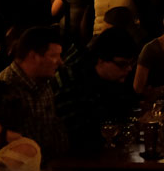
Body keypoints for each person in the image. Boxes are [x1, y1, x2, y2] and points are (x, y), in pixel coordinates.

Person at [54, 26, 139, 154]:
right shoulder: (71, 81)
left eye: (131, 64)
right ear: (101, 60)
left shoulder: (114, 78)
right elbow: (77, 135)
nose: (128, 69)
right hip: (71, 159)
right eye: (122, 64)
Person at [0, 25, 66, 158]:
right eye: (54, 56)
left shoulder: (44, 84)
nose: (60, 62)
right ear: (33, 56)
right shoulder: (2, 90)